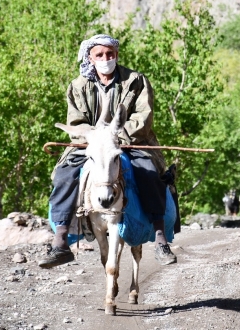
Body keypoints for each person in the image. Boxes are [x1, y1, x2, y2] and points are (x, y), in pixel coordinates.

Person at [38, 34, 177, 268]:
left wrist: (115, 136)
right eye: (99, 55)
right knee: (64, 174)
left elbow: (144, 118)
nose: (106, 59)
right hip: (90, 143)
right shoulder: (78, 86)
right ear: (90, 58)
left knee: (148, 172)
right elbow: (76, 122)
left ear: (117, 55)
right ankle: (60, 240)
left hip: (132, 141)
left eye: (110, 54)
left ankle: (161, 240)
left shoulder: (136, 80)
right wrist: (97, 137)